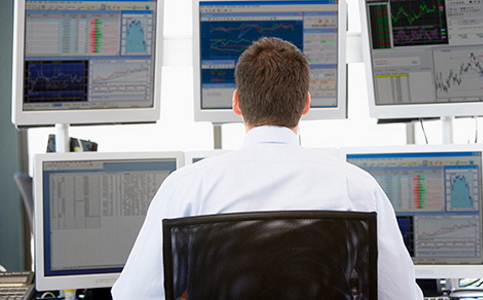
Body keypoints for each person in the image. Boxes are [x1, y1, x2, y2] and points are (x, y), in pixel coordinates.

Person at [111, 37, 423, 300]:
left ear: (237, 103)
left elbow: (132, 296)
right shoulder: (358, 188)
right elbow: (402, 295)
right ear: (305, 105)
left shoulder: (185, 188)